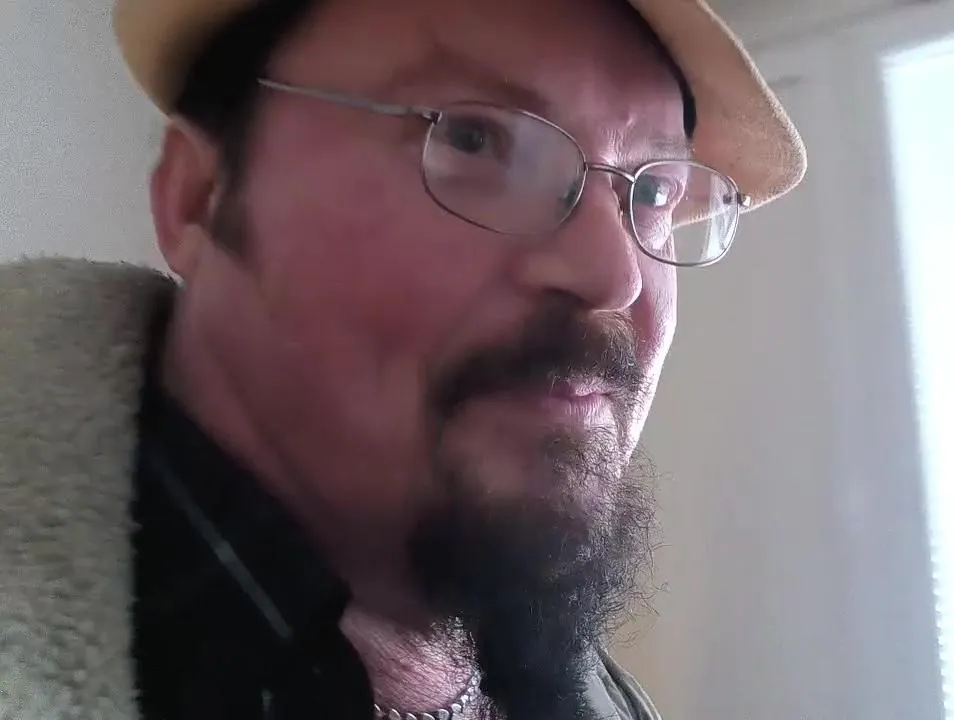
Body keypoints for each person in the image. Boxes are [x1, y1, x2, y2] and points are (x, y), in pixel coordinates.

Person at [0, 0, 806, 717]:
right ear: (199, 200)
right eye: (477, 139)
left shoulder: (574, 681)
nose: (614, 276)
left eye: (654, 193)